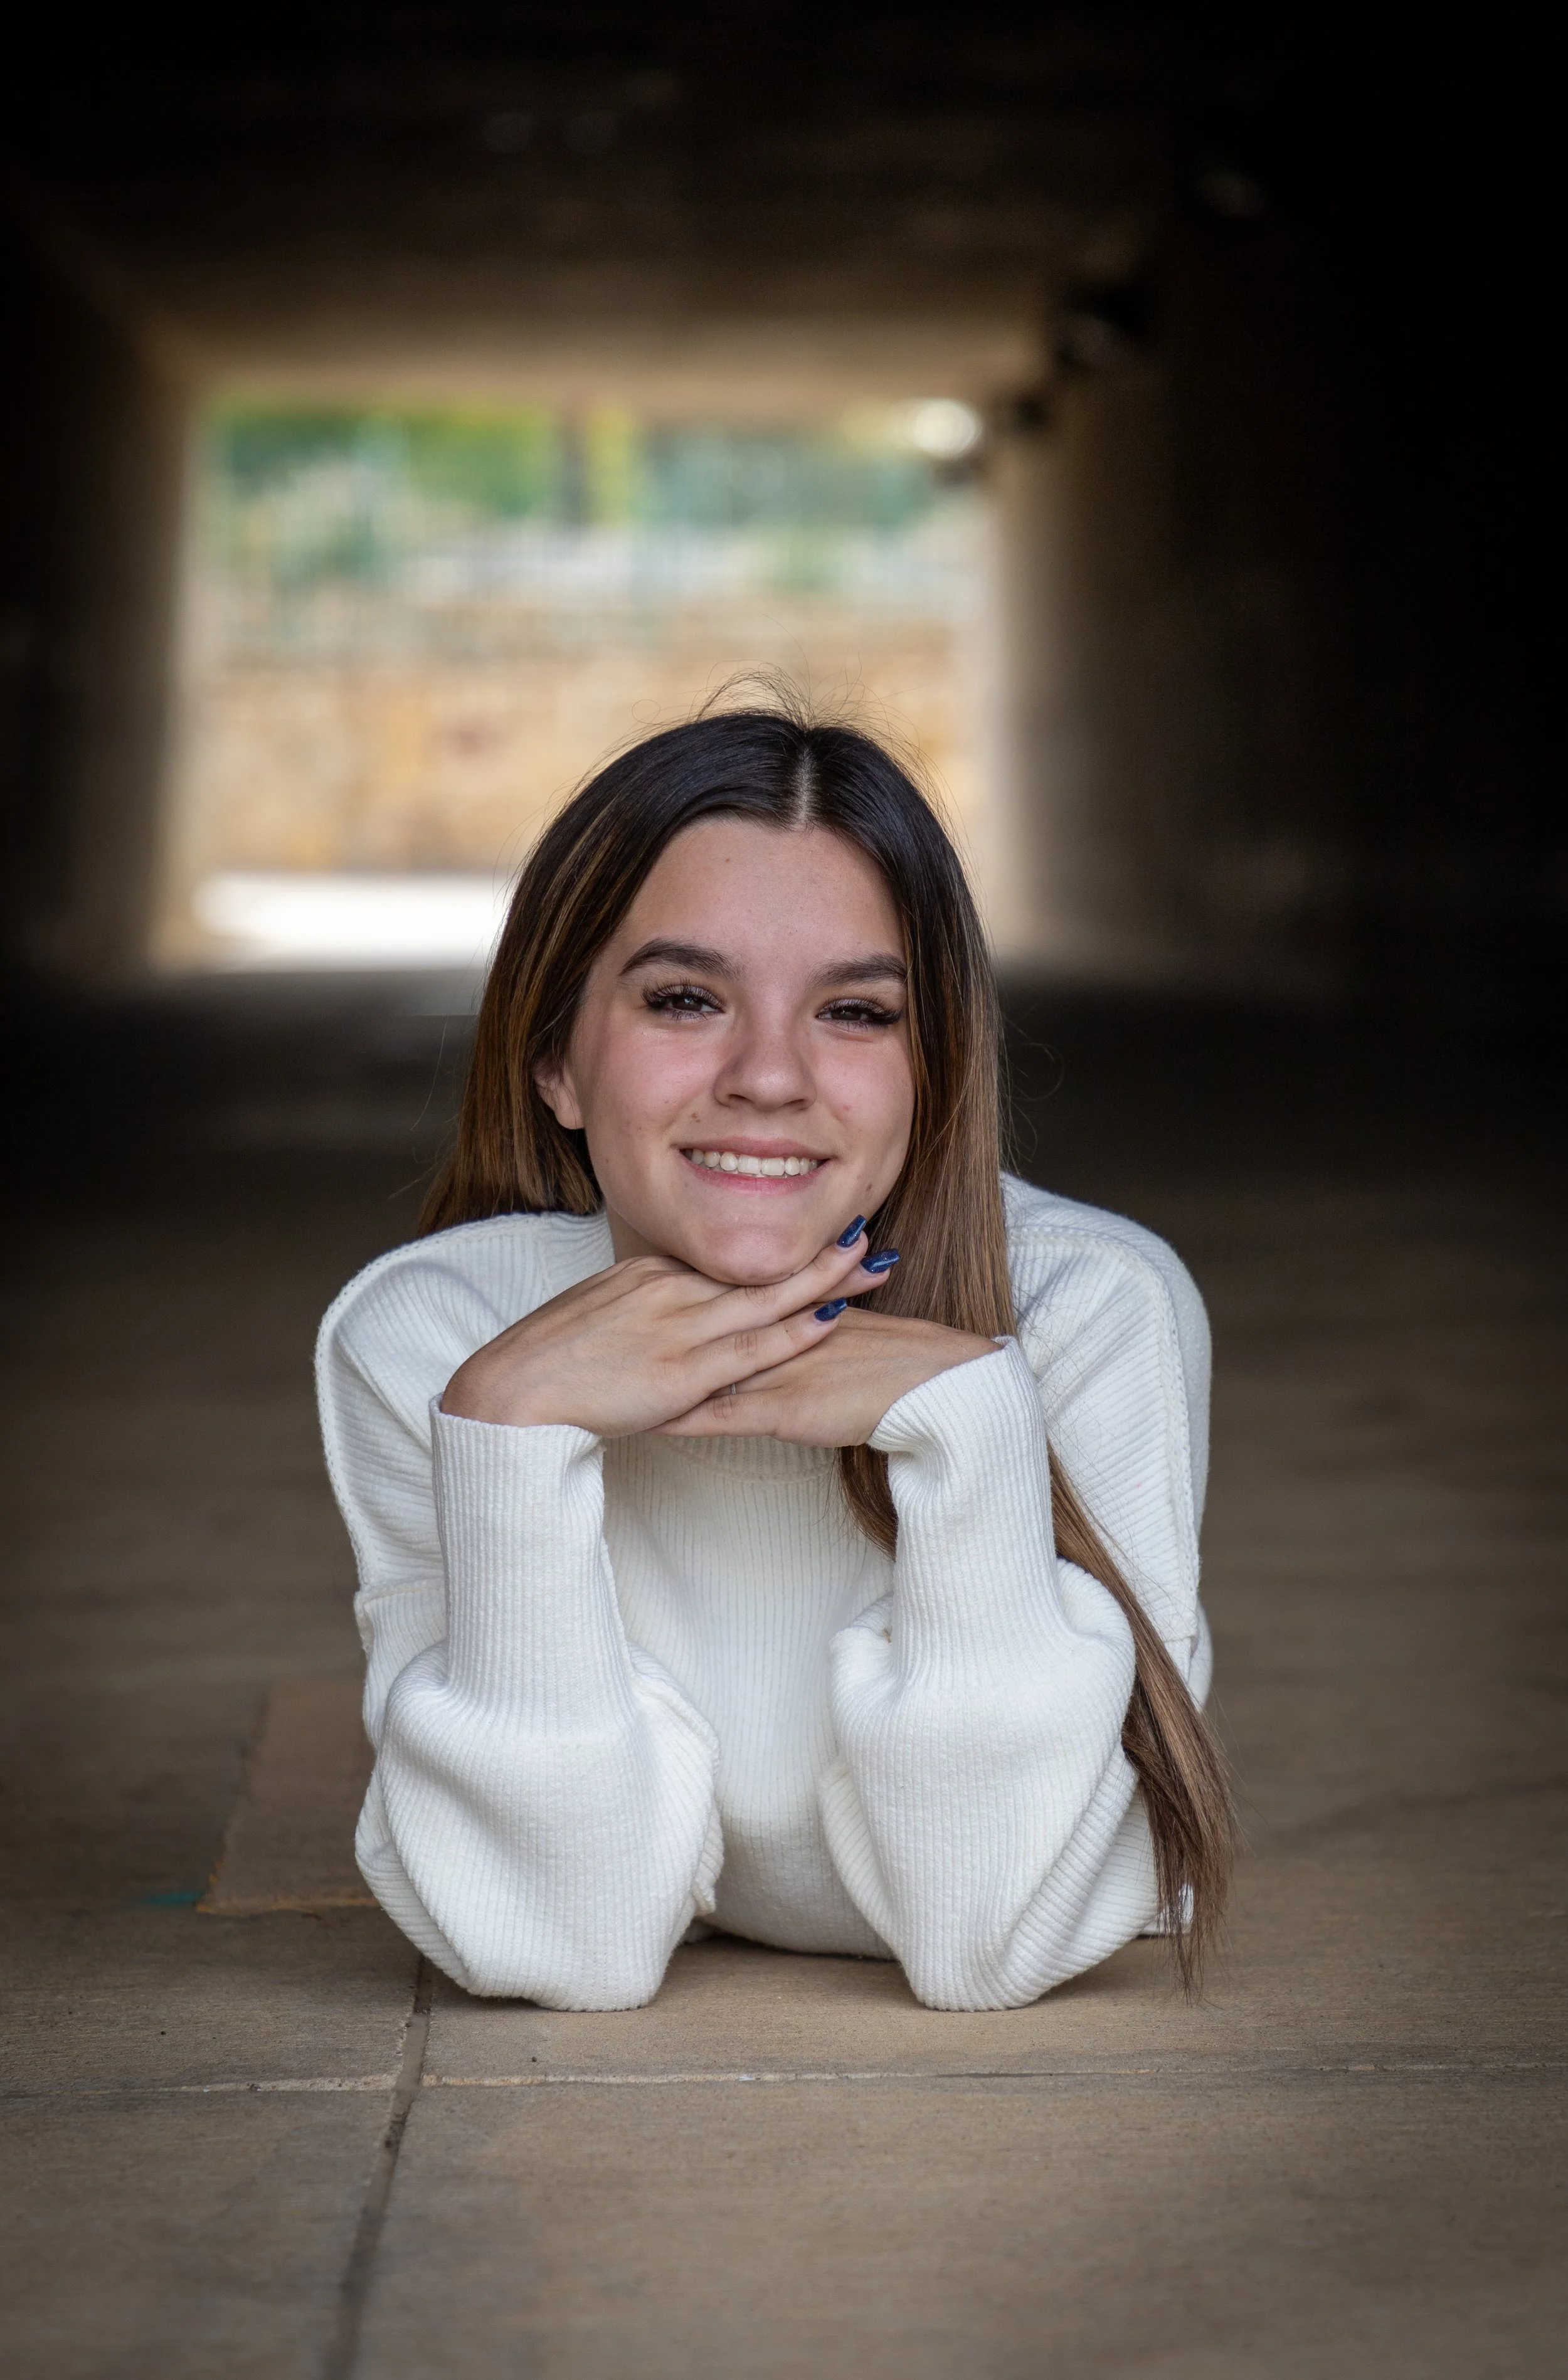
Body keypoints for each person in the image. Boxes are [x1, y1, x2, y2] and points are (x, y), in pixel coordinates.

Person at [317, 704, 1232, 2012]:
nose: (767, 1074)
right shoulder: (432, 1339)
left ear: (936, 1067)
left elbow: (991, 1933)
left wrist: (975, 1427)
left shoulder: (1091, 1310)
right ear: (555, 1061)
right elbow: (560, 1939)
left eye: (854, 1011)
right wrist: (507, 1439)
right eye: (685, 999)